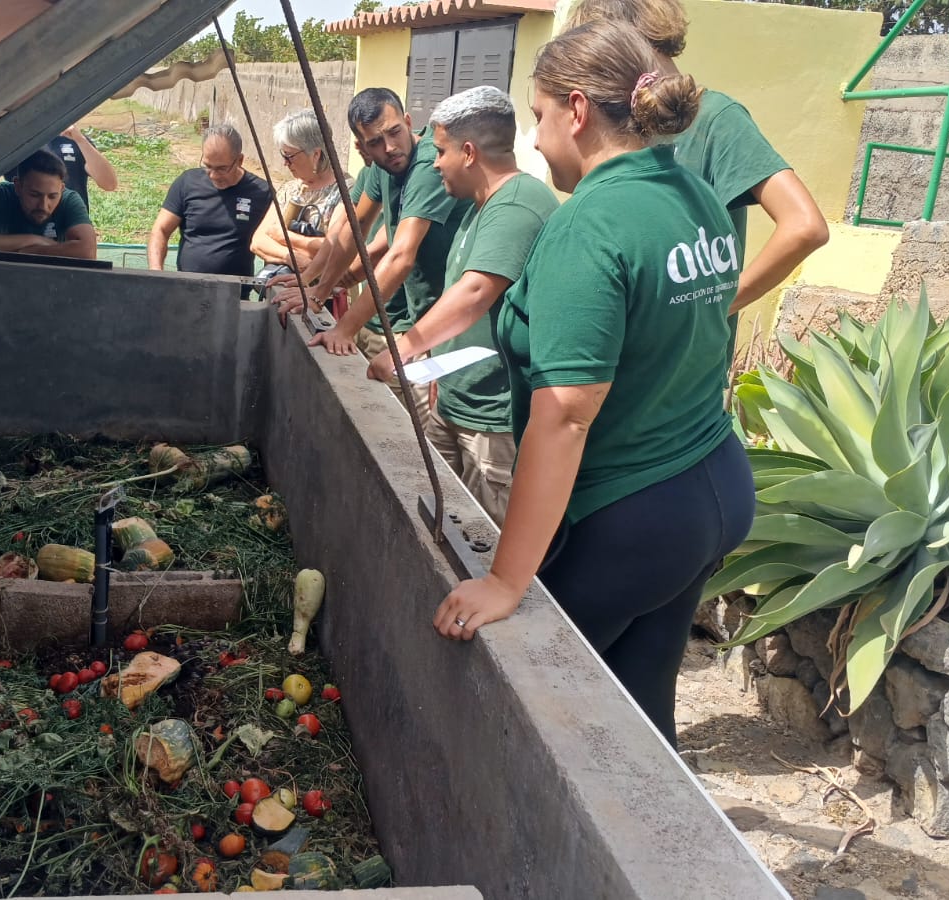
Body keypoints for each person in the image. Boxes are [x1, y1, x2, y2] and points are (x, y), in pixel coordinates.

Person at [430, 22, 755, 749]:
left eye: (540, 117)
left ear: (576, 111)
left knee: (530, 711)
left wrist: (507, 581)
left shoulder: (592, 223)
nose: (537, 141)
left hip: (632, 513)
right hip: (713, 486)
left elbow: (568, 414)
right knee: (638, 715)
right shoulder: (694, 194)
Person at [365, 86, 558, 525]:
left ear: (469, 152)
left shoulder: (517, 206)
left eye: (440, 151)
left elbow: (473, 295)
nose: (434, 164)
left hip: (492, 421)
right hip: (455, 402)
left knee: (479, 536)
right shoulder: (478, 207)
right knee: (439, 522)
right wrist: (435, 369)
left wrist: (403, 349)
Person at [564, 0, 827, 319]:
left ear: (625, 44)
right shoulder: (620, 121)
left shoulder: (716, 118)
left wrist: (713, 309)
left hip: (686, 362)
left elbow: (804, 226)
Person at [275, 89, 471, 385]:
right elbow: (354, 227)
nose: (389, 147)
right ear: (363, 148)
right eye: (376, 142)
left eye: (394, 132)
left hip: (450, 319)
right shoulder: (382, 167)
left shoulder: (427, 164)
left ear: (407, 121)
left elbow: (400, 254)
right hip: (420, 311)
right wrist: (315, 287)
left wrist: (344, 328)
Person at [148, 124, 274, 279]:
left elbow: (273, 244)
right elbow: (160, 230)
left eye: (221, 169)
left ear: (240, 160)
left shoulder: (262, 193)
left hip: (234, 293)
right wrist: (155, 270)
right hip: (187, 288)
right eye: (207, 166)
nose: (213, 175)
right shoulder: (187, 183)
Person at [250, 110, 353, 276]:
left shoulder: (346, 192)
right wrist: (292, 257)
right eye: (283, 155)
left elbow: (336, 249)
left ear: (316, 154)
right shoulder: (289, 189)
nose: (285, 163)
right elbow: (258, 241)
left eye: (289, 156)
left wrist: (284, 238)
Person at [0, 149, 97, 259]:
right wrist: (36, 240)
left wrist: (32, 251)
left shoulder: (69, 200)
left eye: (53, 196)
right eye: (34, 195)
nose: (43, 205)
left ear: (62, 189)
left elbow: (88, 251)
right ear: (18, 186)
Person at [5, 124, 118, 208]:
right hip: (26, 229)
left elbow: (109, 184)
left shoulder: (74, 140)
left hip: (70, 228)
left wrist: (81, 140)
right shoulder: (16, 140)